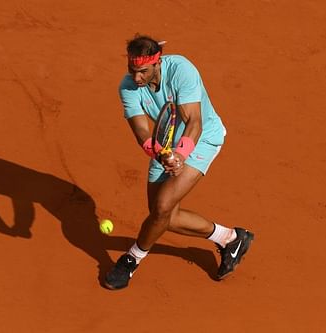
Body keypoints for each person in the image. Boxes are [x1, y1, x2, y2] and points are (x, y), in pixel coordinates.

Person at [104, 34, 254, 290]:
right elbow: (141, 131)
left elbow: (193, 121)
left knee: (162, 208)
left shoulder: (182, 70)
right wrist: (161, 153)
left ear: (157, 63)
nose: (136, 77)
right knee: (162, 216)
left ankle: (131, 259)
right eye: (132, 70)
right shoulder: (127, 87)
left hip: (203, 139)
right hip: (165, 146)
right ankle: (230, 238)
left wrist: (181, 155)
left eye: (142, 71)